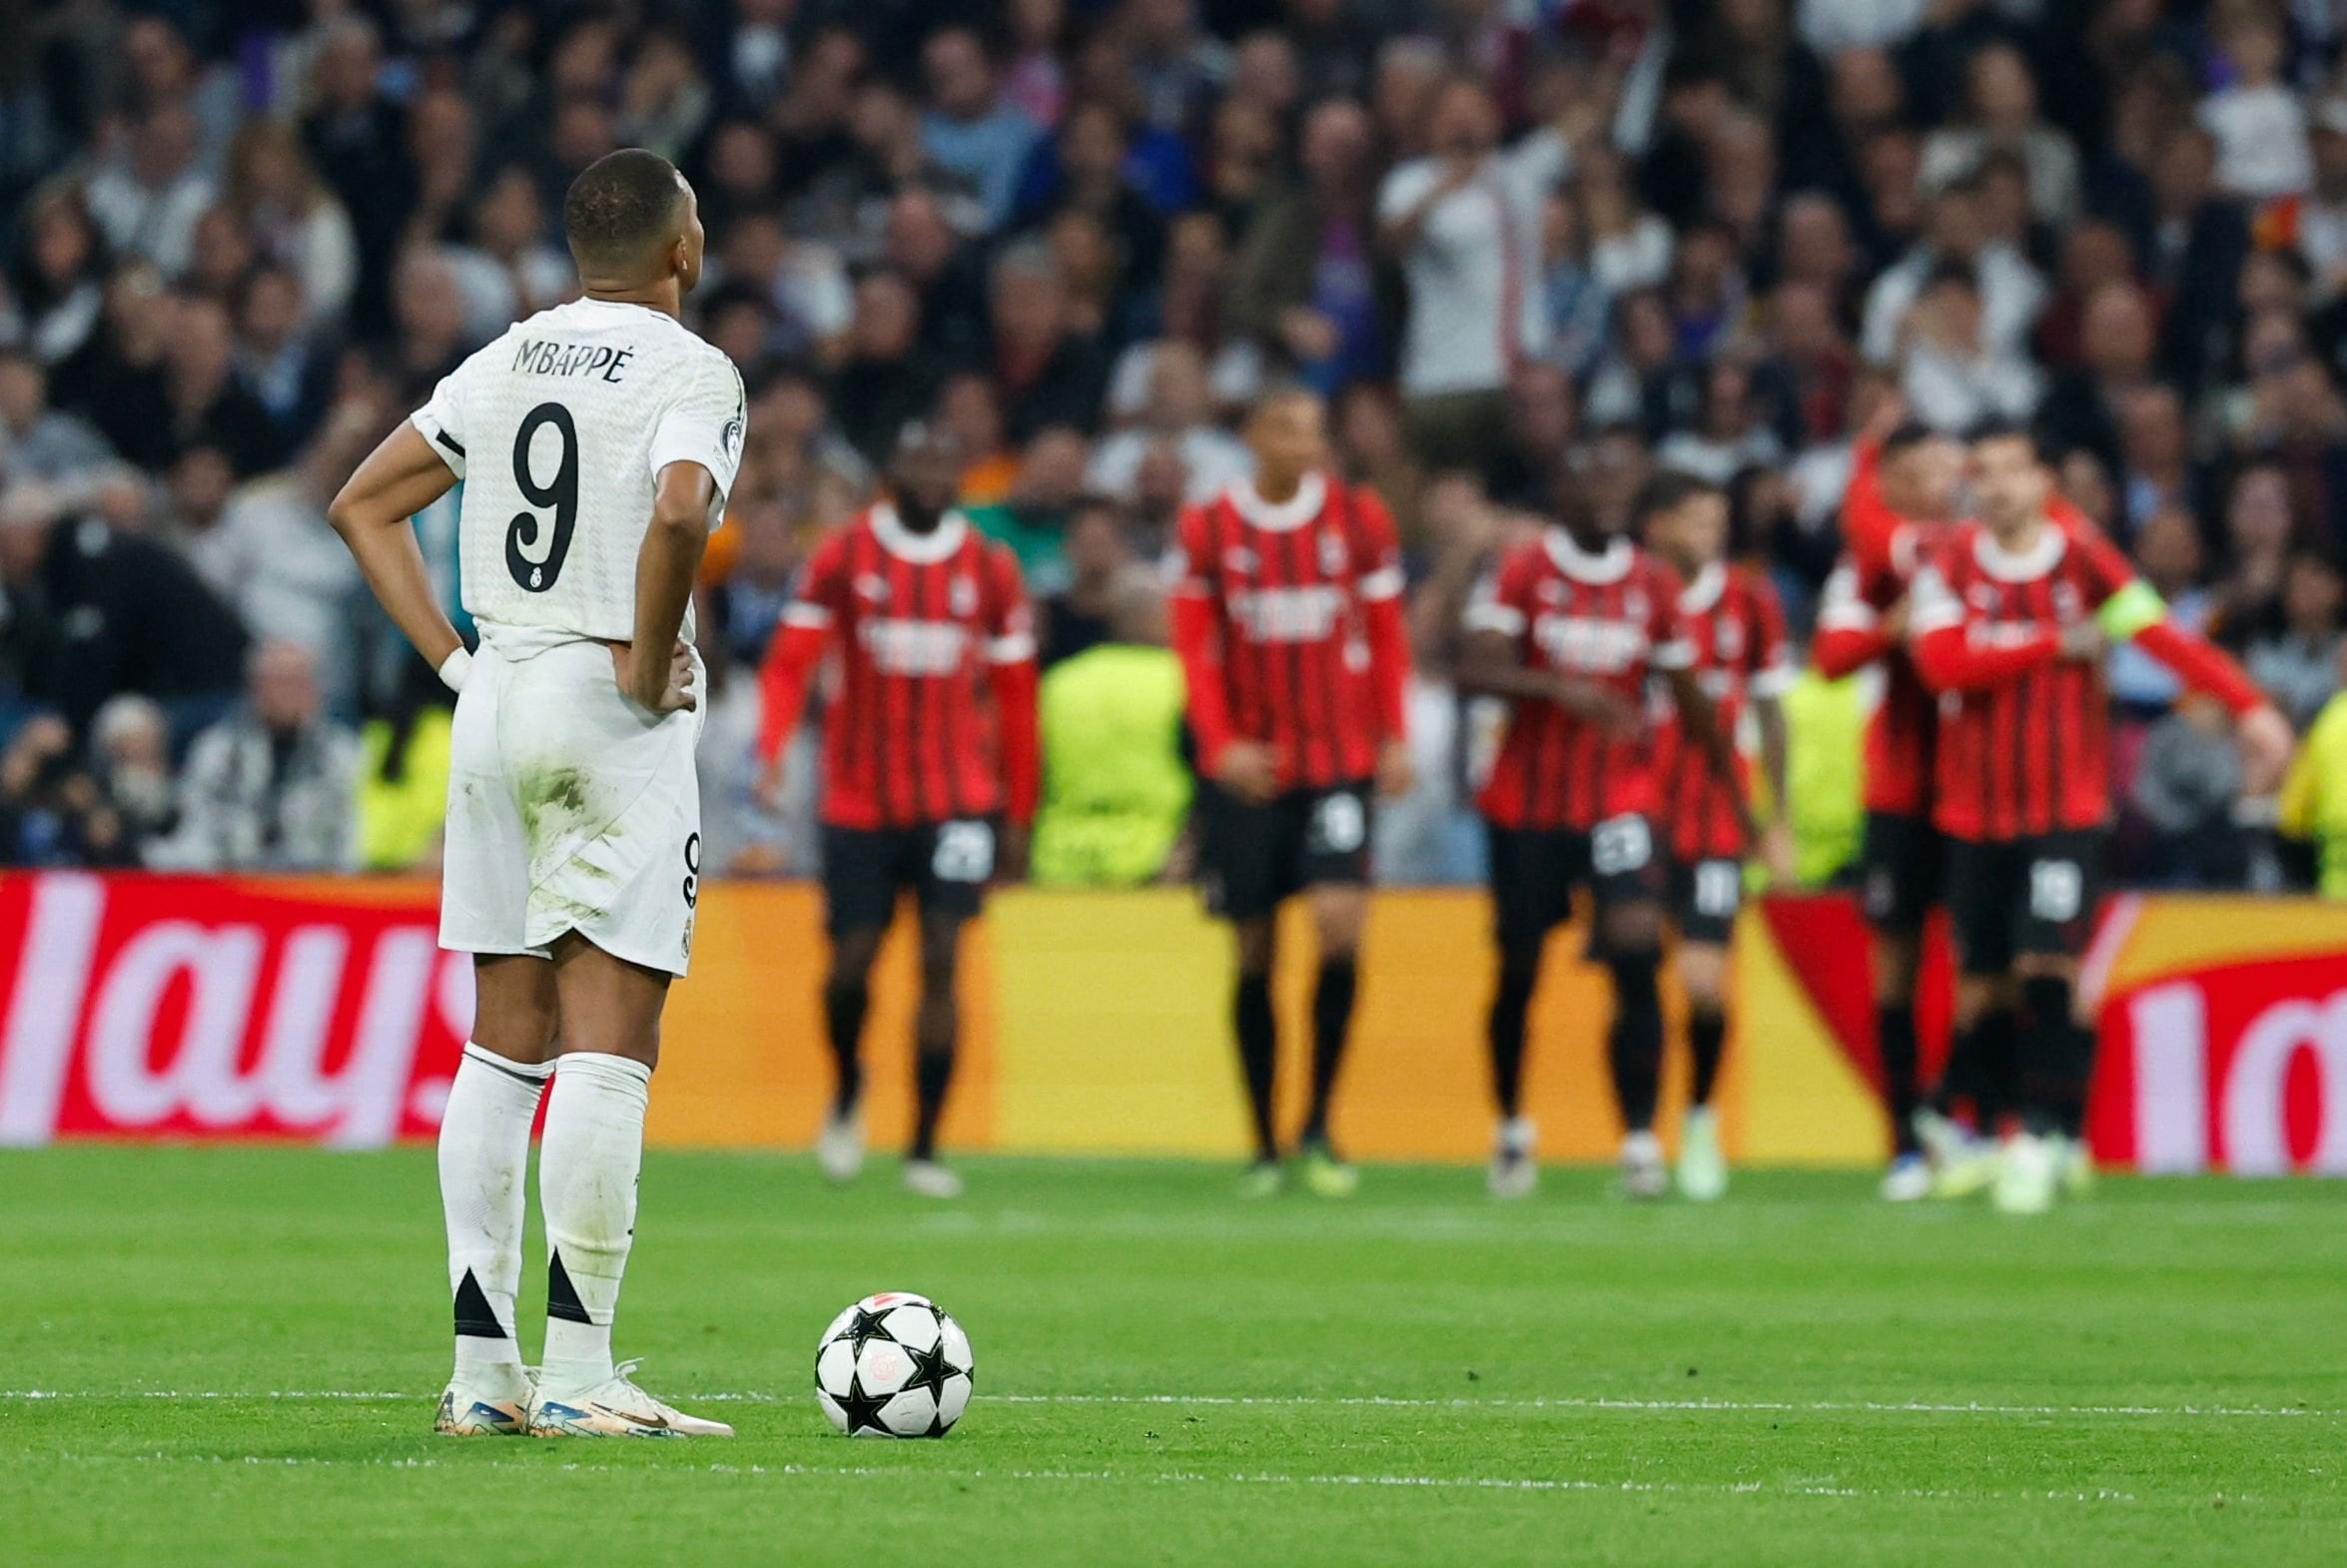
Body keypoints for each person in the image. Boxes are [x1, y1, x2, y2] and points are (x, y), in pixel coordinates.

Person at [328, 149, 745, 1438]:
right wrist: (642, 645)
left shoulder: (511, 356)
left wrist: (454, 661)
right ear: (681, 249)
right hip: (601, 708)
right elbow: (680, 510)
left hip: (497, 693)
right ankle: (578, 1371)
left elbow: (364, 503)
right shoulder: (694, 369)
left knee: (504, 1042)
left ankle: (480, 1373)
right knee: (610, 1042)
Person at [1906, 421, 2291, 1214]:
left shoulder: (2085, 560)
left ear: (2046, 480)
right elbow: (1942, 664)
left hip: (2063, 810)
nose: (2002, 487)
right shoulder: (1947, 564)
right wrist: (2052, 643)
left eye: (2017, 471)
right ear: (1973, 486)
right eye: (1988, 473)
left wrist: (2249, 707)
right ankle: (1960, 1120)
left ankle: (2042, 1137)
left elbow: (2163, 638)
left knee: (2048, 965)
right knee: (1980, 984)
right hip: (1974, 812)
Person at [753, 421, 1040, 1200]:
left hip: (958, 801)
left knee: (944, 961)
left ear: (959, 474)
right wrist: (773, 748)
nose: (929, 474)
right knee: (849, 968)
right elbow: (790, 662)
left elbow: (1016, 696)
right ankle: (849, 1083)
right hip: (859, 799)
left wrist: (1021, 804)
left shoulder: (989, 566)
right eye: (915, 459)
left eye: (943, 460)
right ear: (891, 471)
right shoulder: (845, 554)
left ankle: (923, 1145)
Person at [1459, 464, 1744, 1201]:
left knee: (1637, 945)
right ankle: (1513, 1128)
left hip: (1620, 795)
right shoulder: (1522, 569)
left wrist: (1739, 799)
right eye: (1600, 490)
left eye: (1621, 492)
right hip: (1526, 804)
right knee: (1520, 968)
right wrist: (1561, 689)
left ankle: (1642, 1140)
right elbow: (1475, 669)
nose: (1612, 501)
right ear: (1566, 496)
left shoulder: (1650, 584)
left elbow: (1688, 691)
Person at [1166, 387, 1412, 1197]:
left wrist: (1394, 733)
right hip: (1251, 771)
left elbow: (1383, 633)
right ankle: (1264, 1140)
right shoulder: (1209, 528)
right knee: (1255, 952)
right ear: (1255, 438)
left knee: (1341, 931)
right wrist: (1219, 746)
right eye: (1291, 430)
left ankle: (1319, 1123)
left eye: (1315, 430)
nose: (1307, 445)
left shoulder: (1358, 519)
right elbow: (1195, 647)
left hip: (1336, 760)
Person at [1811, 410, 1970, 1200]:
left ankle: (1963, 1115)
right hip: (1902, 791)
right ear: (1898, 484)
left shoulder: (1983, 554)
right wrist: (1891, 629)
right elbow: (1831, 657)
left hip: (1985, 792)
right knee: (1896, 969)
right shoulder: (1869, 566)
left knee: (1994, 964)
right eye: (1937, 469)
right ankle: (1905, 1138)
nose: (1956, 482)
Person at [1640, 472, 1796, 1201]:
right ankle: (1636, 1135)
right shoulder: (1632, 594)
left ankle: (1698, 1119)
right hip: (1634, 811)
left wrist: (1779, 820)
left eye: (1717, 521)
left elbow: (1771, 711)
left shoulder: (1752, 602)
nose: (1710, 534)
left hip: (1715, 818)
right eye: (1696, 521)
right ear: (1660, 526)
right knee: (1633, 971)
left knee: (1702, 984)